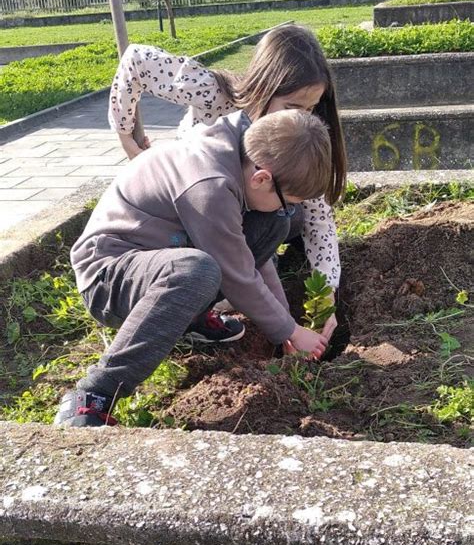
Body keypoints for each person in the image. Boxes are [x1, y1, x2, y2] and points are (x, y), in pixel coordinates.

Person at [54, 107, 332, 427]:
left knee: (277, 221)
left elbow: (250, 258)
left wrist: (284, 329)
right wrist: (292, 330)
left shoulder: (240, 155)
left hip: (164, 255)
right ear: (261, 178)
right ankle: (93, 394)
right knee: (196, 271)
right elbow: (238, 273)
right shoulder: (209, 185)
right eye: (291, 198)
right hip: (110, 275)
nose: (292, 206)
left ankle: (190, 318)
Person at [108, 23, 347, 341]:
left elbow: (320, 219)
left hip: (242, 212)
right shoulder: (212, 94)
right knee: (220, 269)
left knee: (291, 215)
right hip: (187, 220)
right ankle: (204, 305)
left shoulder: (295, 140)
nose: (303, 117)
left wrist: (327, 291)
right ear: (264, 86)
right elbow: (136, 60)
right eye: (293, 107)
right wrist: (126, 138)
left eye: (311, 109)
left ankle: (249, 275)